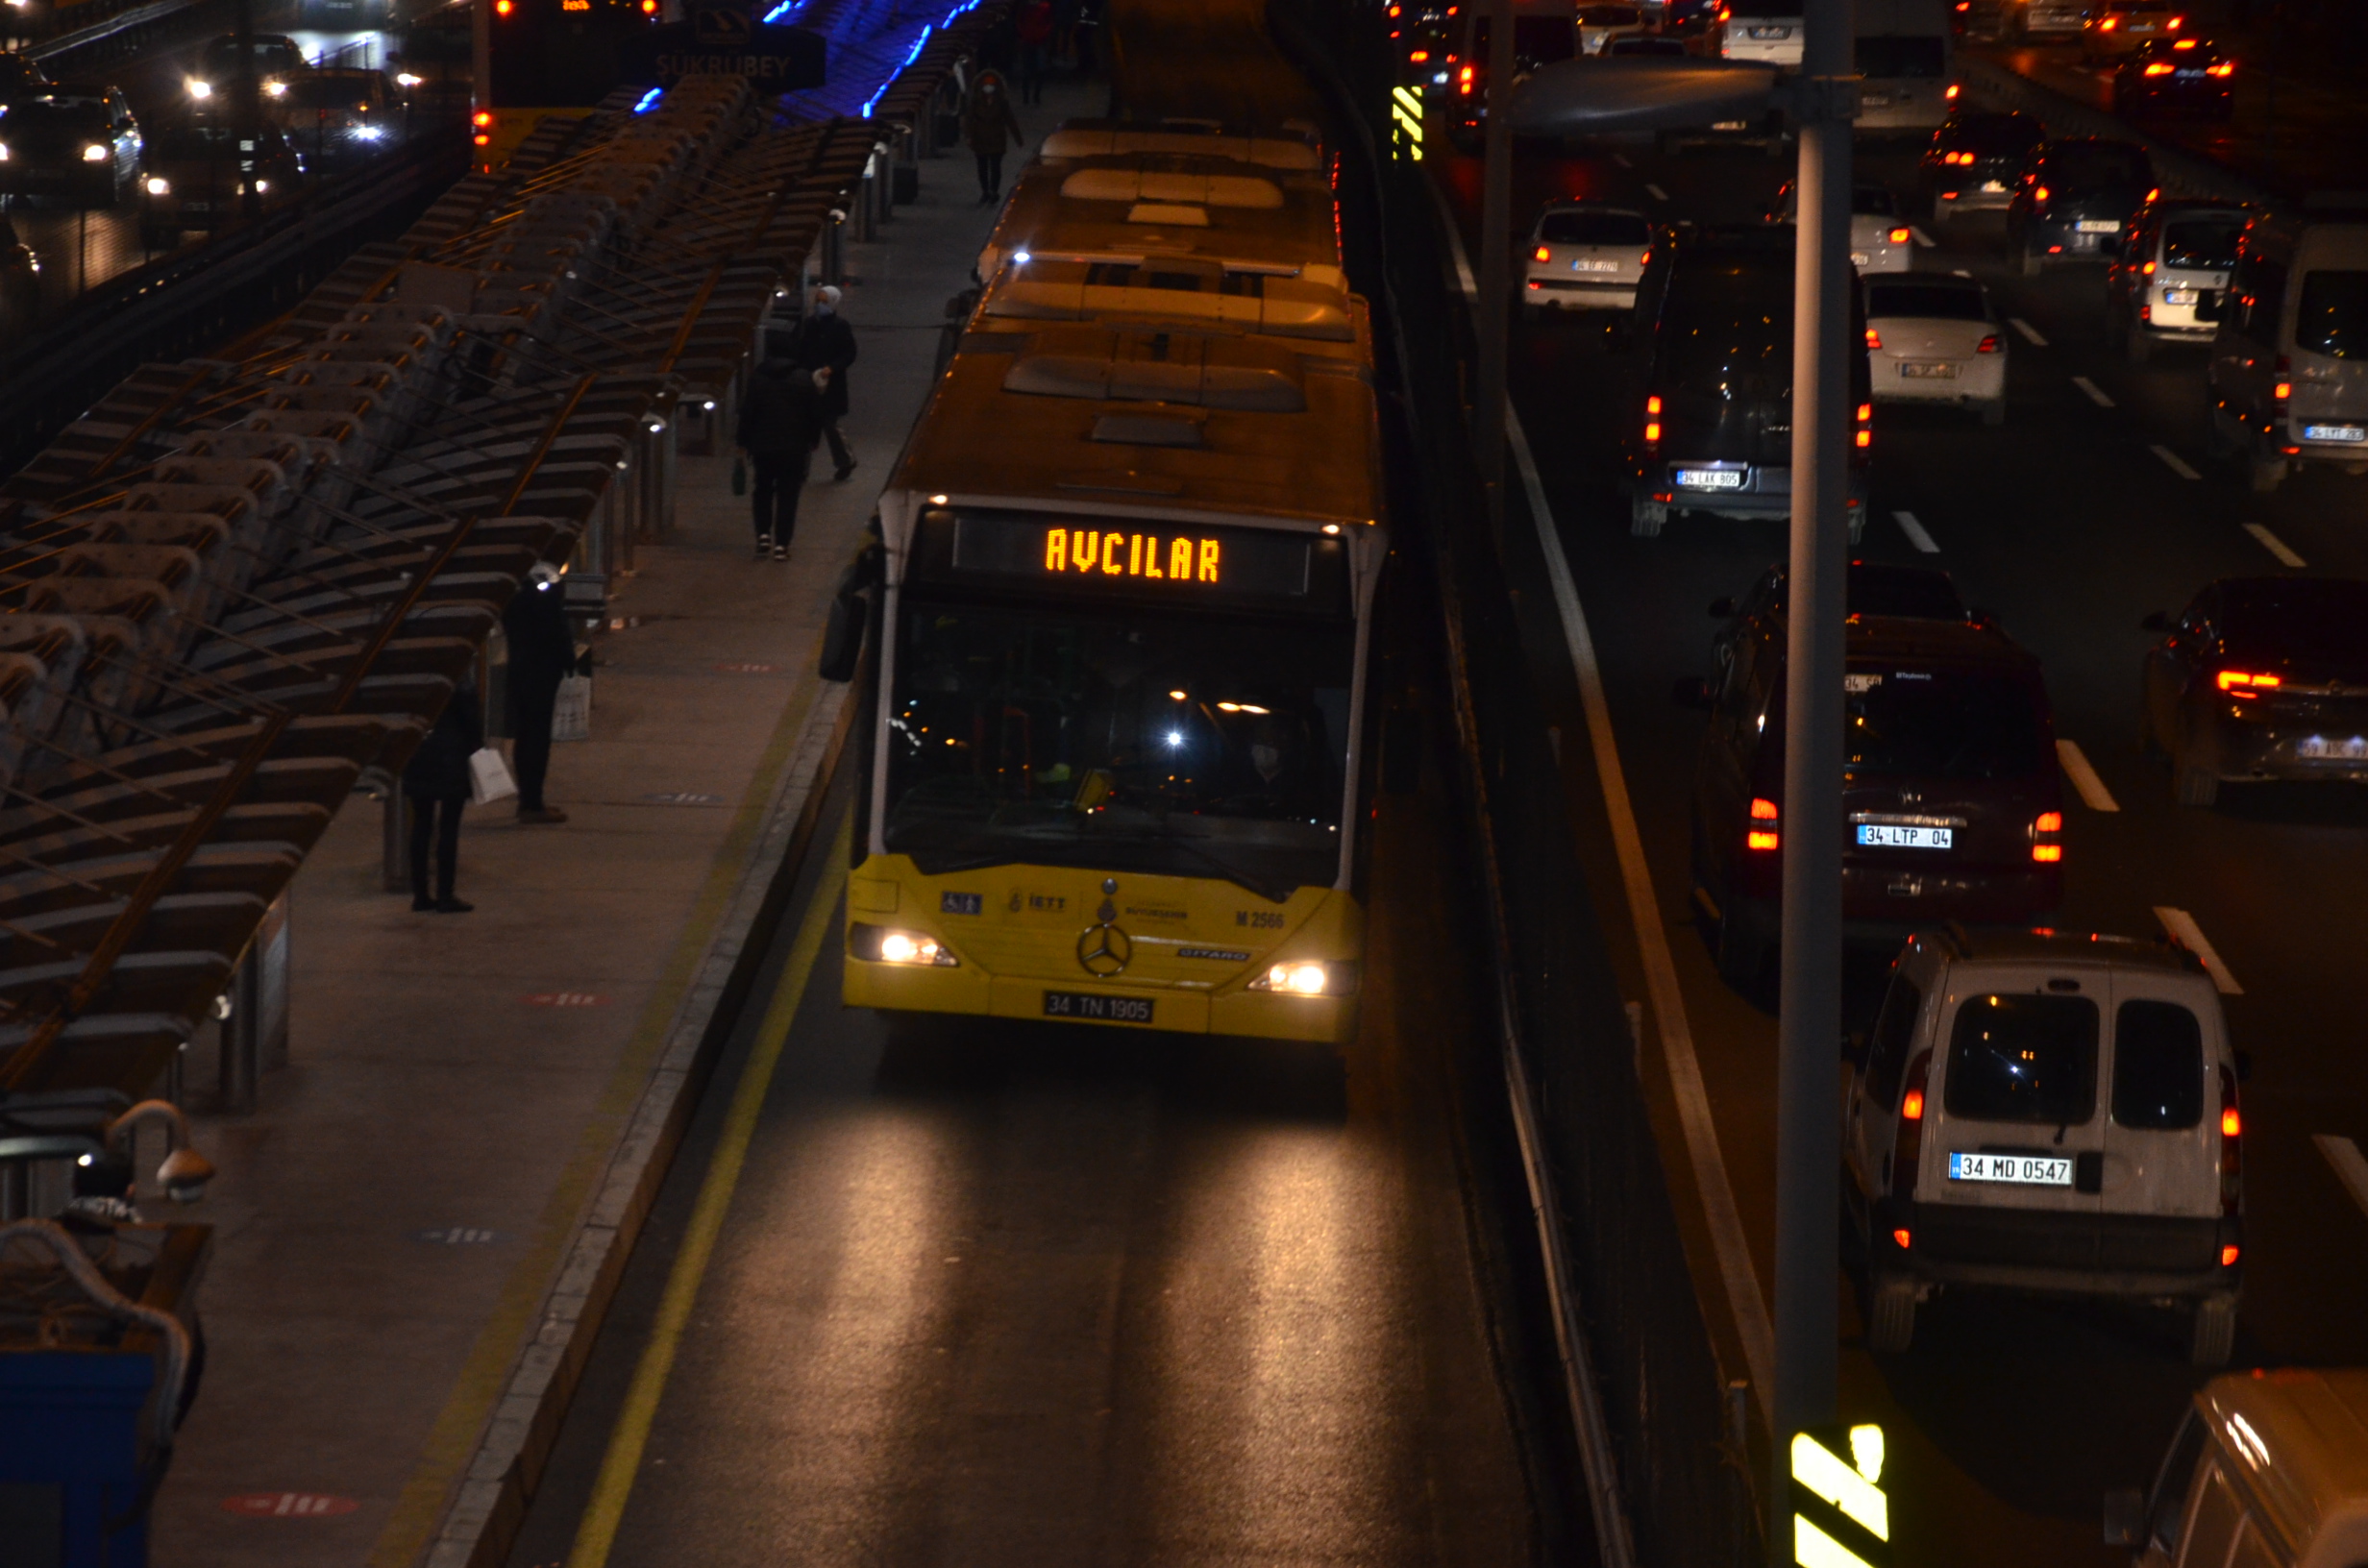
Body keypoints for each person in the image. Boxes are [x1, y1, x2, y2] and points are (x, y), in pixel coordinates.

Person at [734, 336, 826, 559]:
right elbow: (814, 414)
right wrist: (813, 440)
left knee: (763, 489)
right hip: (794, 447)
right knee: (788, 494)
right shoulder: (804, 379)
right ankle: (782, 545)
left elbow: (748, 413)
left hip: (763, 446)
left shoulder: (758, 378)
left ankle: (763, 535)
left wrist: (742, 442)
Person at [504, 561, 575, 825]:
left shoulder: (515, 591)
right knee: (536, 737)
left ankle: (530, 800)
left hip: (525, 668)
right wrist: (567, 658)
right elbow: (553, 625)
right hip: (539, 670)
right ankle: (532, 803)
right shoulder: (538, 589)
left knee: (528, 735)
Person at [404, 675, 481, 914]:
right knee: (449, 827)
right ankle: (446, 894)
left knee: (421, 824)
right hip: (451, 757)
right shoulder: (457, 679)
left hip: (418, 753)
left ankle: (420, 894)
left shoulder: (413, 679)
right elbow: (471, 722)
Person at [786, 285, 859, 481]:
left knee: (829, 424)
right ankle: (800, 468)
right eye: (817, 301)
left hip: (830, 384)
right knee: (805, 426)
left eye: (824, 302)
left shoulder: (840, 326)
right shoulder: (810, 324)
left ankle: (845, 460)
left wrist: (832, 368)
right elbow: (801, 350)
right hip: (809, 380)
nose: (819, 305)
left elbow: (849, 353)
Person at [962, 69, 1024, 204]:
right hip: (980, 138)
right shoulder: (976, 101)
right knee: (982, 166)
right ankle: (985, 191)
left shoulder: (1002, 102)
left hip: (997, 137)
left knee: (995, 166)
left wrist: (1018, 139)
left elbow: (1010, 120)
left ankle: (994, 191)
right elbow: (968, 119)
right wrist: (968, 136)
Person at [1014, 0, 1053, 103]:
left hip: (1034, 40)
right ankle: (1031, 96)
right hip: (1033, 40)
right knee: (1032, 70)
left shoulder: (1042, 7)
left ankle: (1031, 96)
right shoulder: (1042, 7)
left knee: (1032, 70)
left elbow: (1048, 22)